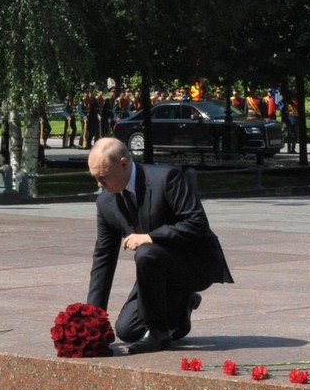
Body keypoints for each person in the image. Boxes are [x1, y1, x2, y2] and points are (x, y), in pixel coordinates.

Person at [86, 137, 233, 354]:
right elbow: (104, 258)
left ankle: (158, 333)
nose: (99, 184)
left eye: (103, 176)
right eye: (95, 177)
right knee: (127, 330)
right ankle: (181, 309)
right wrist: (92, 318)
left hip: (193, 263)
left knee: (146, 253)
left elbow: (197, 223)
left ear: (124, 163)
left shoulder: (166, 179)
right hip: (155, 268)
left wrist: (151, 237)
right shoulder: (105, 202)